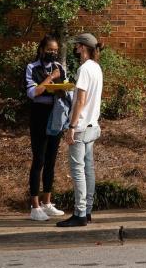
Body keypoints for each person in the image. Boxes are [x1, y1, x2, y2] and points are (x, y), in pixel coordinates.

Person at [56, 33, 105, 228]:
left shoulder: (84, 69)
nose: (76, 48)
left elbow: (81, 101)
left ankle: (80, 213)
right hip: (93, 125)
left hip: (82, 126)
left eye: (77, 45)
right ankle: (88, 210)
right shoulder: (96, 68)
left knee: (78, 171)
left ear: (83, 47)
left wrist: (72, 127)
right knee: (88, 169)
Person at [25, 34, 67, 222]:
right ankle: (34, 206)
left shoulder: (59, 68)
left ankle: (47, 203)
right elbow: (33, 92)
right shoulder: (32, 68)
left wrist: (62, 87)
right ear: (42, 49)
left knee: (51, 160)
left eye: (55, 51)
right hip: (39, 116)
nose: (53, 53)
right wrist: (51, 78)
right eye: (49, 50)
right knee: (39, 160)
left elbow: (65, 89)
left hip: (56, 115)